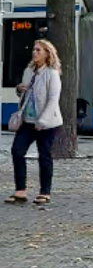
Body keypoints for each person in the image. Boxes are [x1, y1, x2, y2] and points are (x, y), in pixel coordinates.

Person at [5, 39, 63, 206]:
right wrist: (19, 89)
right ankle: (20, 191)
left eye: (38, 50)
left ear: (47, 54)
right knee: (17, 151)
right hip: (27, 121)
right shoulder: (29, 71)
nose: (34, 52)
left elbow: (53, 100)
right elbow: (25, 96)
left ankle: (45, 192)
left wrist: (43, 121)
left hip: (47, 123)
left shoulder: (52, 74)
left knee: (44, 155)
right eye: (34, 49)